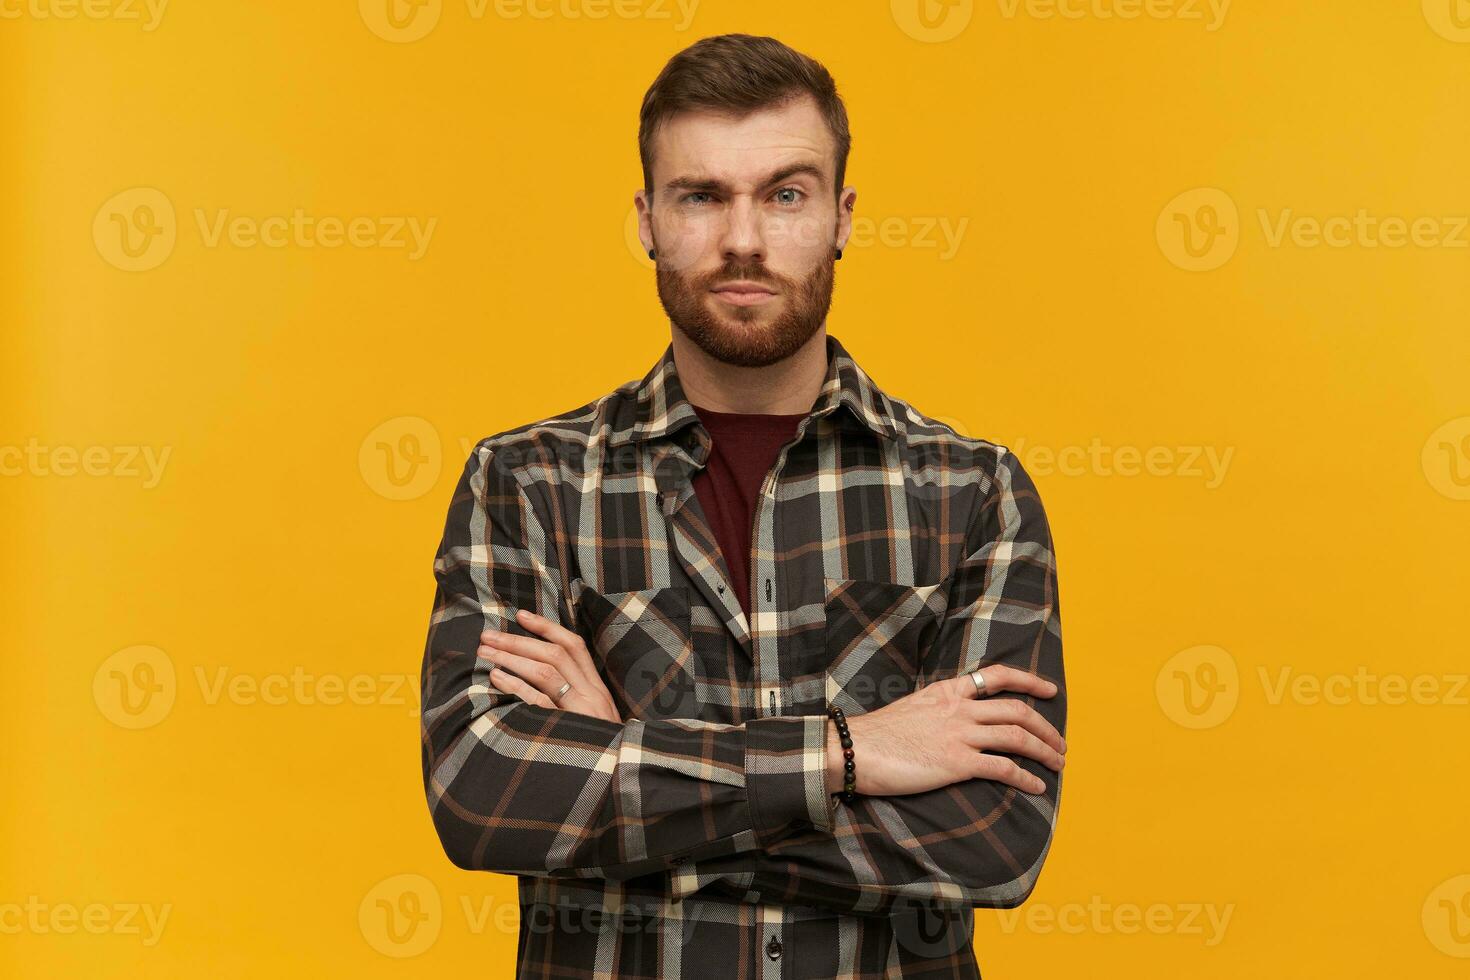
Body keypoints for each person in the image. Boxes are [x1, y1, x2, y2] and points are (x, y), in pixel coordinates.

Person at [419, 33, 1067, 979]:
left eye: (785, 194)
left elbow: (994, 841)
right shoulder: (525, 483)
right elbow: (483, 797)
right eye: (702, 196)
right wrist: (848, 755)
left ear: (843, 216)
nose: (745, 240)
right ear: (646, 218)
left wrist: (620, 760)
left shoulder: (974, 492)